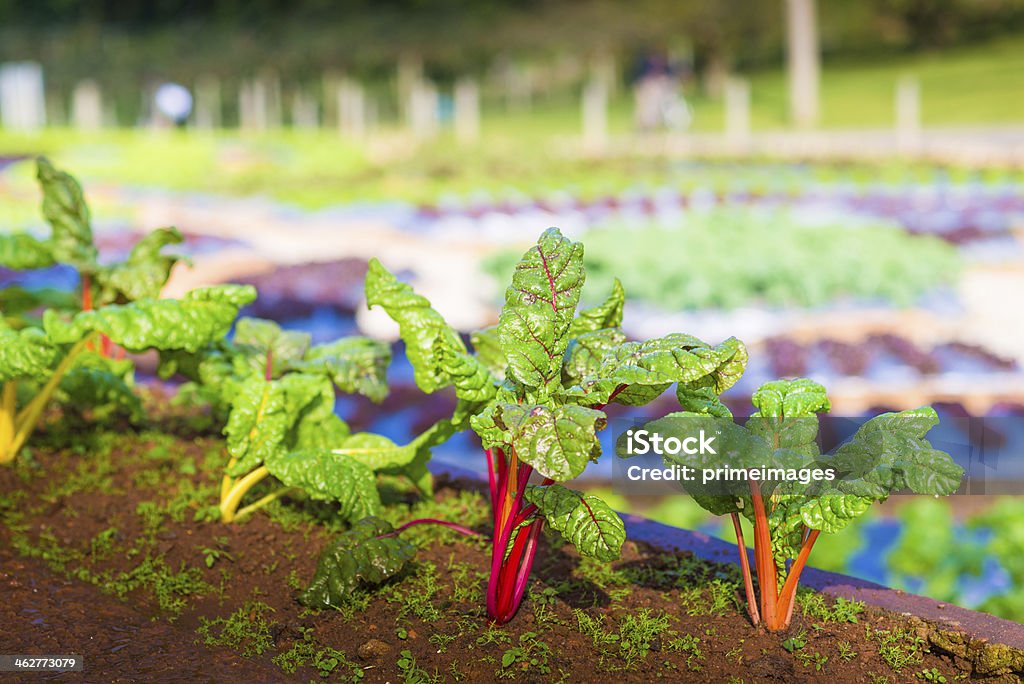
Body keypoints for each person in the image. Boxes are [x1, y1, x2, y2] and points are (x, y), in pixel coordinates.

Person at [632, 51, 691, 132]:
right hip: (651, 91)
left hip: (663, 93)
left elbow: (673, 86)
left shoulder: (668, 73)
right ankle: (646, 124)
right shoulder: (645, 71)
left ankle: (650, 123)